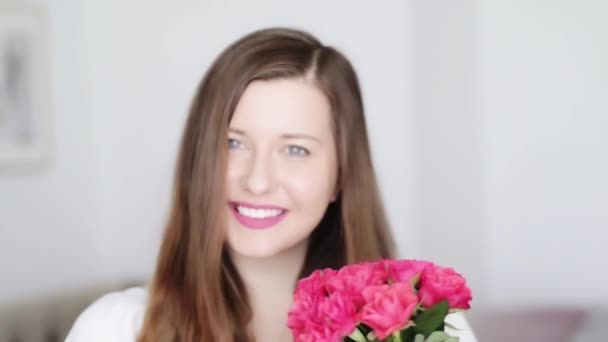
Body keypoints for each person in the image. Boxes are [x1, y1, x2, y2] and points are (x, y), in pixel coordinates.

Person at [66, 27, 477, 342]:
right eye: (233, 143)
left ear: (341, 176)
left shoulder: (428, 326)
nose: (257, 180)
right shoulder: (116, 328)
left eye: (295, 150)